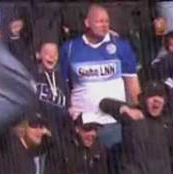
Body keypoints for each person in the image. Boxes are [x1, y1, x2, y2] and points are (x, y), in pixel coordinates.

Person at [60, 3, 140, 146]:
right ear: (87, 23)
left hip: (114, 123)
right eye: (99, 21)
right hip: (84, 124)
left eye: (107, 21)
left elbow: (132, 85)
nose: (104, 25)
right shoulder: (70, 48)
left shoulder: (121, 46)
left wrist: (137, 114)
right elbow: (63, 86)